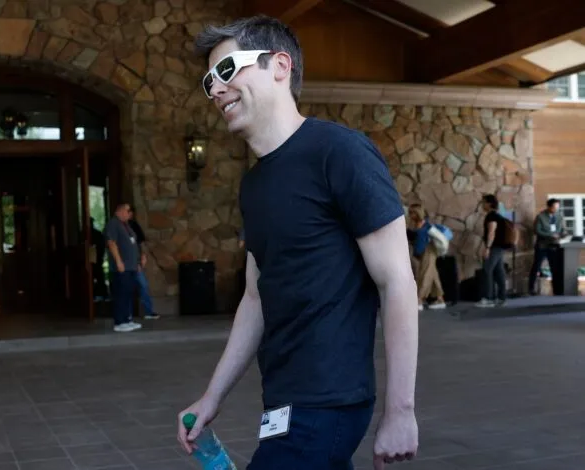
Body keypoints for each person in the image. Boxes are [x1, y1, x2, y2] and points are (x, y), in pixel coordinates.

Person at [178, 15, 419, 469]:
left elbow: (397, 281)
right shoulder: (254, 185)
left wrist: (400, 411)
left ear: (280, 66)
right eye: (208, 80)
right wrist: (213, 396)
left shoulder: (340, 152)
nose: (214, 90)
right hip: (283, 402)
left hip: (328, 402)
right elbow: (255, 297)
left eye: (226, 71)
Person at [105, 203, 143, 333]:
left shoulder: (126, 225)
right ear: (120, 211)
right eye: (127, 211)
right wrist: (118, 261)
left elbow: (134, 244)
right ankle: (119, 321)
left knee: (128, 293)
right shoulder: (113, 224)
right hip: (121, 267)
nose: (129, 213)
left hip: (131, 266)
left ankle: (128, 319)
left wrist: (137, 262)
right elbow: (111, 243)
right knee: (121, 293)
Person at [407, 204, 447, 311]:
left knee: (424, 274)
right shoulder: (421, 224)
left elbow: (420, 242)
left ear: (417, 213)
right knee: (432, 275)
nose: (410, 215)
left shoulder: (423, 225)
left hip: (427, 251)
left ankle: (419, 299)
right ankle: (440, 299)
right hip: (427, 251)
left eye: (412, 212)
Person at [128, 206, 160, 319]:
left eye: (130, 212)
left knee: (143, 285)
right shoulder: (118, 227)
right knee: (127, 287)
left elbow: (141, 243)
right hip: (126, 262)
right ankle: (128, 314)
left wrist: (143, 256)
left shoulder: (134, 225)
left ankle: (148, 311)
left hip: (136, 262)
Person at [528, 198, 565, 295]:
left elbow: (563, 229)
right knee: (536, 266)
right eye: (554, 207)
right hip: (542, 246)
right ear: (549, 207)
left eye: (557, 207)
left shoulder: (559, 216)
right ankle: (531, 288)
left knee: (555, 268)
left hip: (554, 245)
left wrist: (563, 234)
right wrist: (549, 235)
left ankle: (557, 290)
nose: (556, 209)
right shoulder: (540, 216)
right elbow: (537, 230)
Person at [477, 194, 508, 308]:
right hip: (499, 248)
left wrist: (487, 248)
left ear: (489, 203)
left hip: (494, 247)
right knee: (499, 272)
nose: (482, 205)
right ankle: (502, 297)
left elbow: (491, 232)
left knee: (487, 270)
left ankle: (488, 298)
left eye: (483, 202)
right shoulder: (498, 215)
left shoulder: (491, 216)